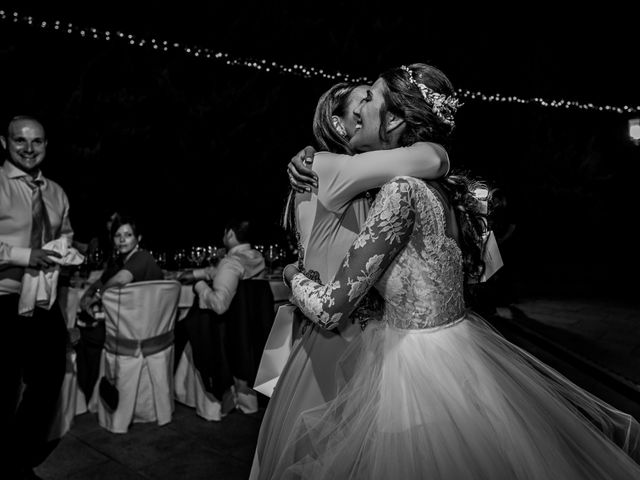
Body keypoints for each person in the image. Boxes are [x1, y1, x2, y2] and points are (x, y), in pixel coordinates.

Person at [274, 63, 640, 479]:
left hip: (413, 367)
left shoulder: (399, 189)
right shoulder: (442, 190)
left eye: (370, 97)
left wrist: (290, 274)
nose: (361, 110)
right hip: (459, 353)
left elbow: (331, 308)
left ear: (393, 118)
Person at [251, 77, 450, 478]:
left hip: (357, 336)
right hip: (336, 342)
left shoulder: (351, 175)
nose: (367, 108)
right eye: (363, 100)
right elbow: (434, 159)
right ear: (340, 125)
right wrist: (291, 273)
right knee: (323, 454)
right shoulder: (333, 168)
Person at [0, 115, 72, 479]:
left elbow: (67, 233)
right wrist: (24, 255)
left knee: (49, 379)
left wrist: (67, 250)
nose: (29, 149)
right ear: (4, 143)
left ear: (46, 144)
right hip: (4, 298)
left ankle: (17, 458)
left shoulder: (56, 192)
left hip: (43, 300)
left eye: (37, 141)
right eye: (20, 141)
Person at [176, 218, 266, 415]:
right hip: (251, 330)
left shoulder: (231, 262)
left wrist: (199, 286)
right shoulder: (257, 257)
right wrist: (200, 273)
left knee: (191, 324)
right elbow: (225, 272)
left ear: (230, 234)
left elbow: (219, 305)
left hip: (226, 334)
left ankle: (207, 398)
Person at [75, 215, 163, 400]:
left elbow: (120, 279)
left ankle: (89, 393)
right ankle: (89, 391)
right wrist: (88, 295)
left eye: (128, 235)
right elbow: (102, 281)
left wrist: (96, 298)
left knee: (88, 335)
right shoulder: (120, 261)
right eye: (117, 235)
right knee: (87, 329)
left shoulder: (142, 257)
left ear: (138, 238)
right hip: (134, 324)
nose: (122, 239)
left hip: (140, 328)